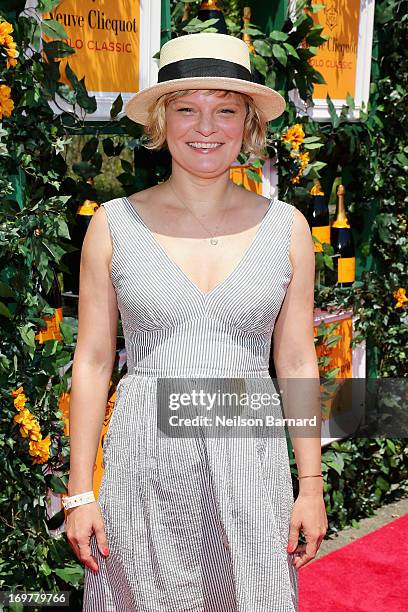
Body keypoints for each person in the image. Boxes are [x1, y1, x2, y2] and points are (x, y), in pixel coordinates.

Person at [64, 32, 328, 611]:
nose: (204, 128)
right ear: (162, 120)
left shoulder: (287, 230)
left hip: (251, 469)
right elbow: (92, 361)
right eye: (187, 108)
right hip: (147, 471)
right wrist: (79, 491)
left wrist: (310, 485)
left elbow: (297, 361)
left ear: (248, 124)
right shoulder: (114, 225)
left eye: (224, 110)